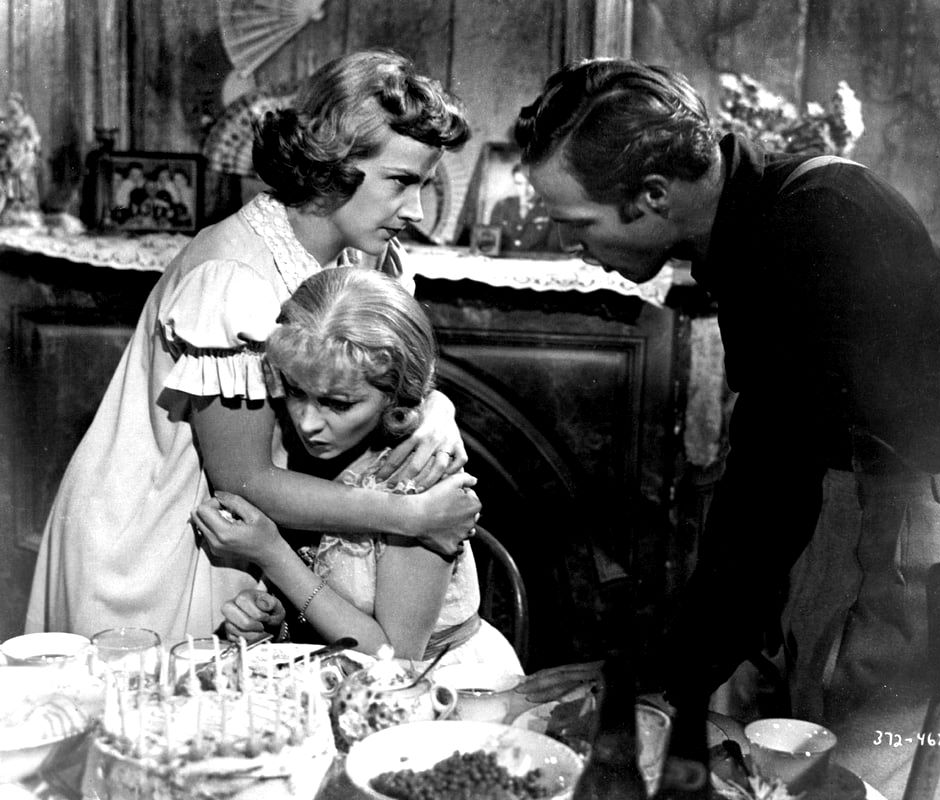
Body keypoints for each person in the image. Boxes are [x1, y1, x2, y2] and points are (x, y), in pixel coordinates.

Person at [511, 57, 940, 796]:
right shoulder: (760, 219)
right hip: (858, 503)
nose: (575, 251)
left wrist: (676, 668)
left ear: (651, 196)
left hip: (926, 526)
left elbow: (770, 482)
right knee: (809, 754)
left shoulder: (812, 223)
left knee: (869, 779)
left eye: (576, 225)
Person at [25, 49, 481, 645]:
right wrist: (411, 516)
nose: (416, 210)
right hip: (154, 537)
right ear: (334, 161)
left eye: (422, 183)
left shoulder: (359, 255)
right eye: (400, 181)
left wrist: (436, 409)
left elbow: (386, 371)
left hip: (242, 531)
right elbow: (245, 479)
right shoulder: (235, 278)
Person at [191, 267, 522, 674]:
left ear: (395, 396)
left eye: (339, 404)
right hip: (344, 674)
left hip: (435, 686)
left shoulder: (416, 482)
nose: (308, 422)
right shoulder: (309, 451)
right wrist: (274, 622)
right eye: (296, 392)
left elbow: (396, 660)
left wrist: (273, 554)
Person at [488, 162, 558, 253]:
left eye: (529, 184)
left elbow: (554, 251)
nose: (524, 190)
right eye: (519, 184)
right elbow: (490, 246)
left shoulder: (552, 211)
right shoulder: (501, 207)